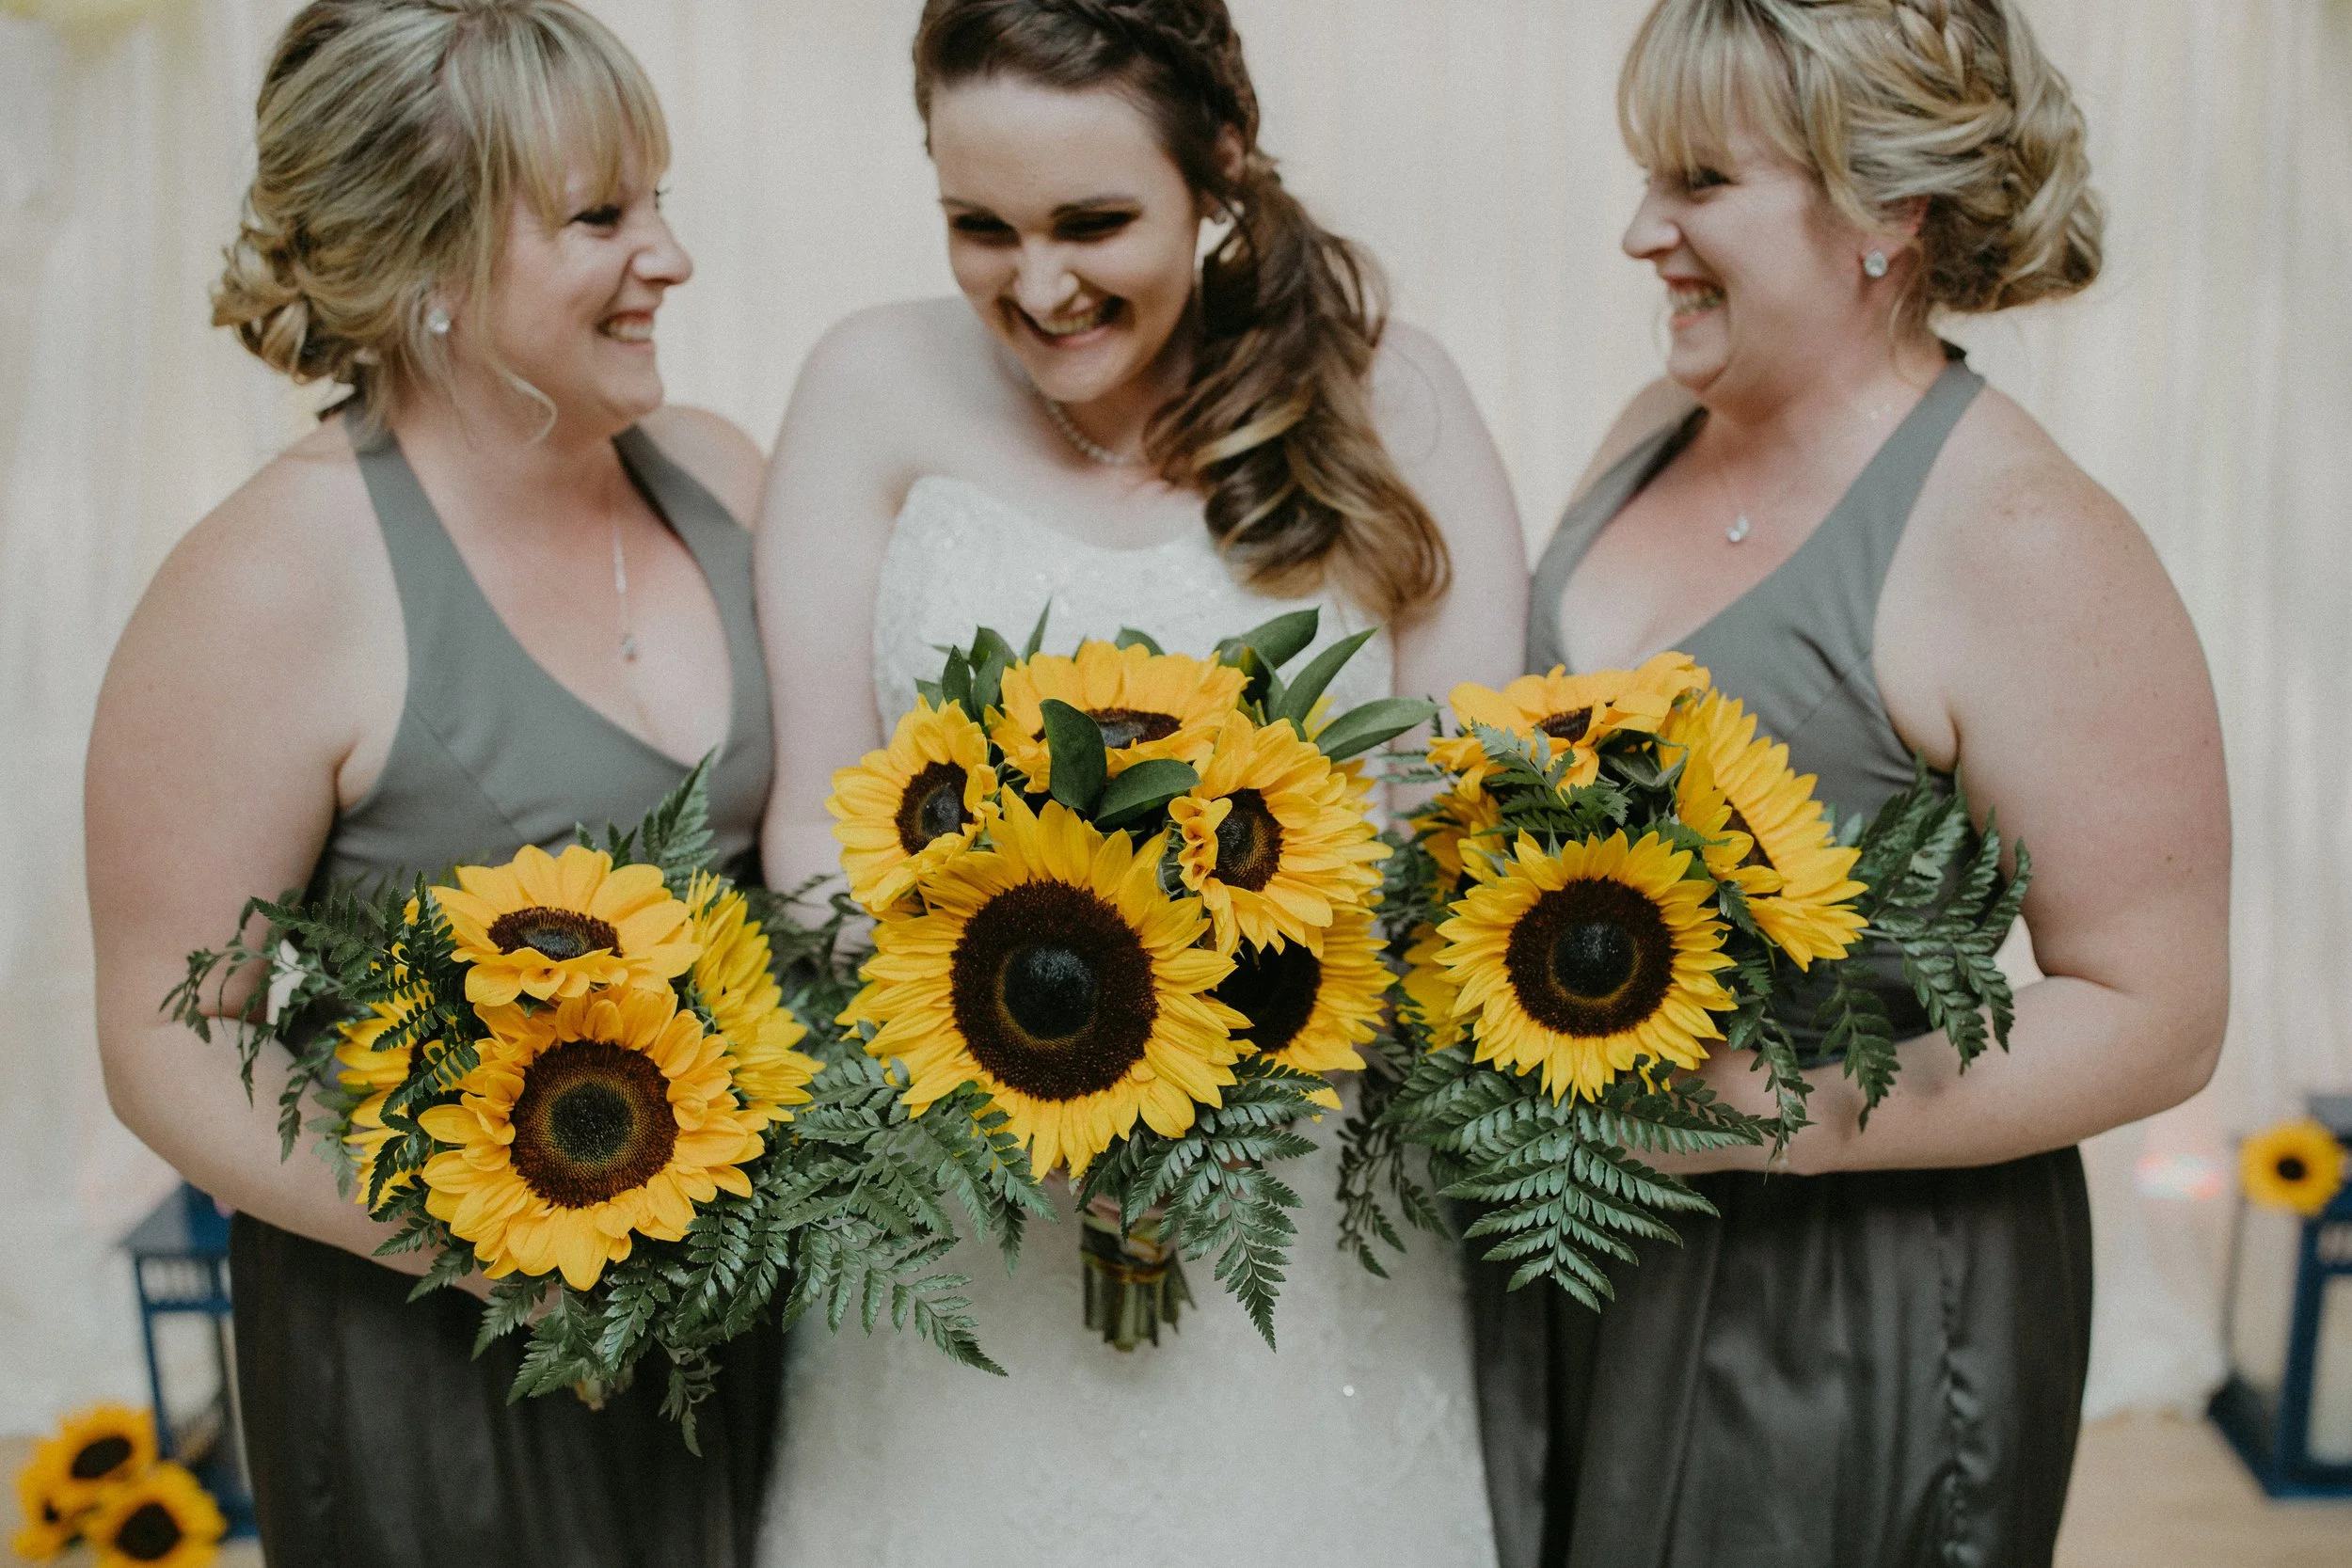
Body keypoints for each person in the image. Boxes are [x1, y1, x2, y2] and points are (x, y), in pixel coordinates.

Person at [752, 1, 1526, 1561]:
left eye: (1095, 222)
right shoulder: (867, 385)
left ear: (1218, 163)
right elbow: (815, 830)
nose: (1037, 287)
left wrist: (1207, 1033)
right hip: (964, 1199)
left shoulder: (1396, 396)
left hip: (1294, 1214)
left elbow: (1461, 823)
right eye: (981, 227)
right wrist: (1039, 1024)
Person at [1476, 3, 2231, 1565]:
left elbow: (2163, 1013)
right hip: (1582, 1246)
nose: (1641, 230)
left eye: (1697, 180)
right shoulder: (1656, 425)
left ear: (1887, 210)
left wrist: (1784, 1115)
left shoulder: (2020, 531)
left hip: (1845, 1303)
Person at [84, 4, 779, 1563]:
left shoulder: (723, 476)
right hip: (446, 1374)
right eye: (601, 216)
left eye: (657, 199)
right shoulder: (273, 580)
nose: (665, 256)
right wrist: (489, 1240)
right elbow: (165, 1033)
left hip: (751, 1323)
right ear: (429, 267)